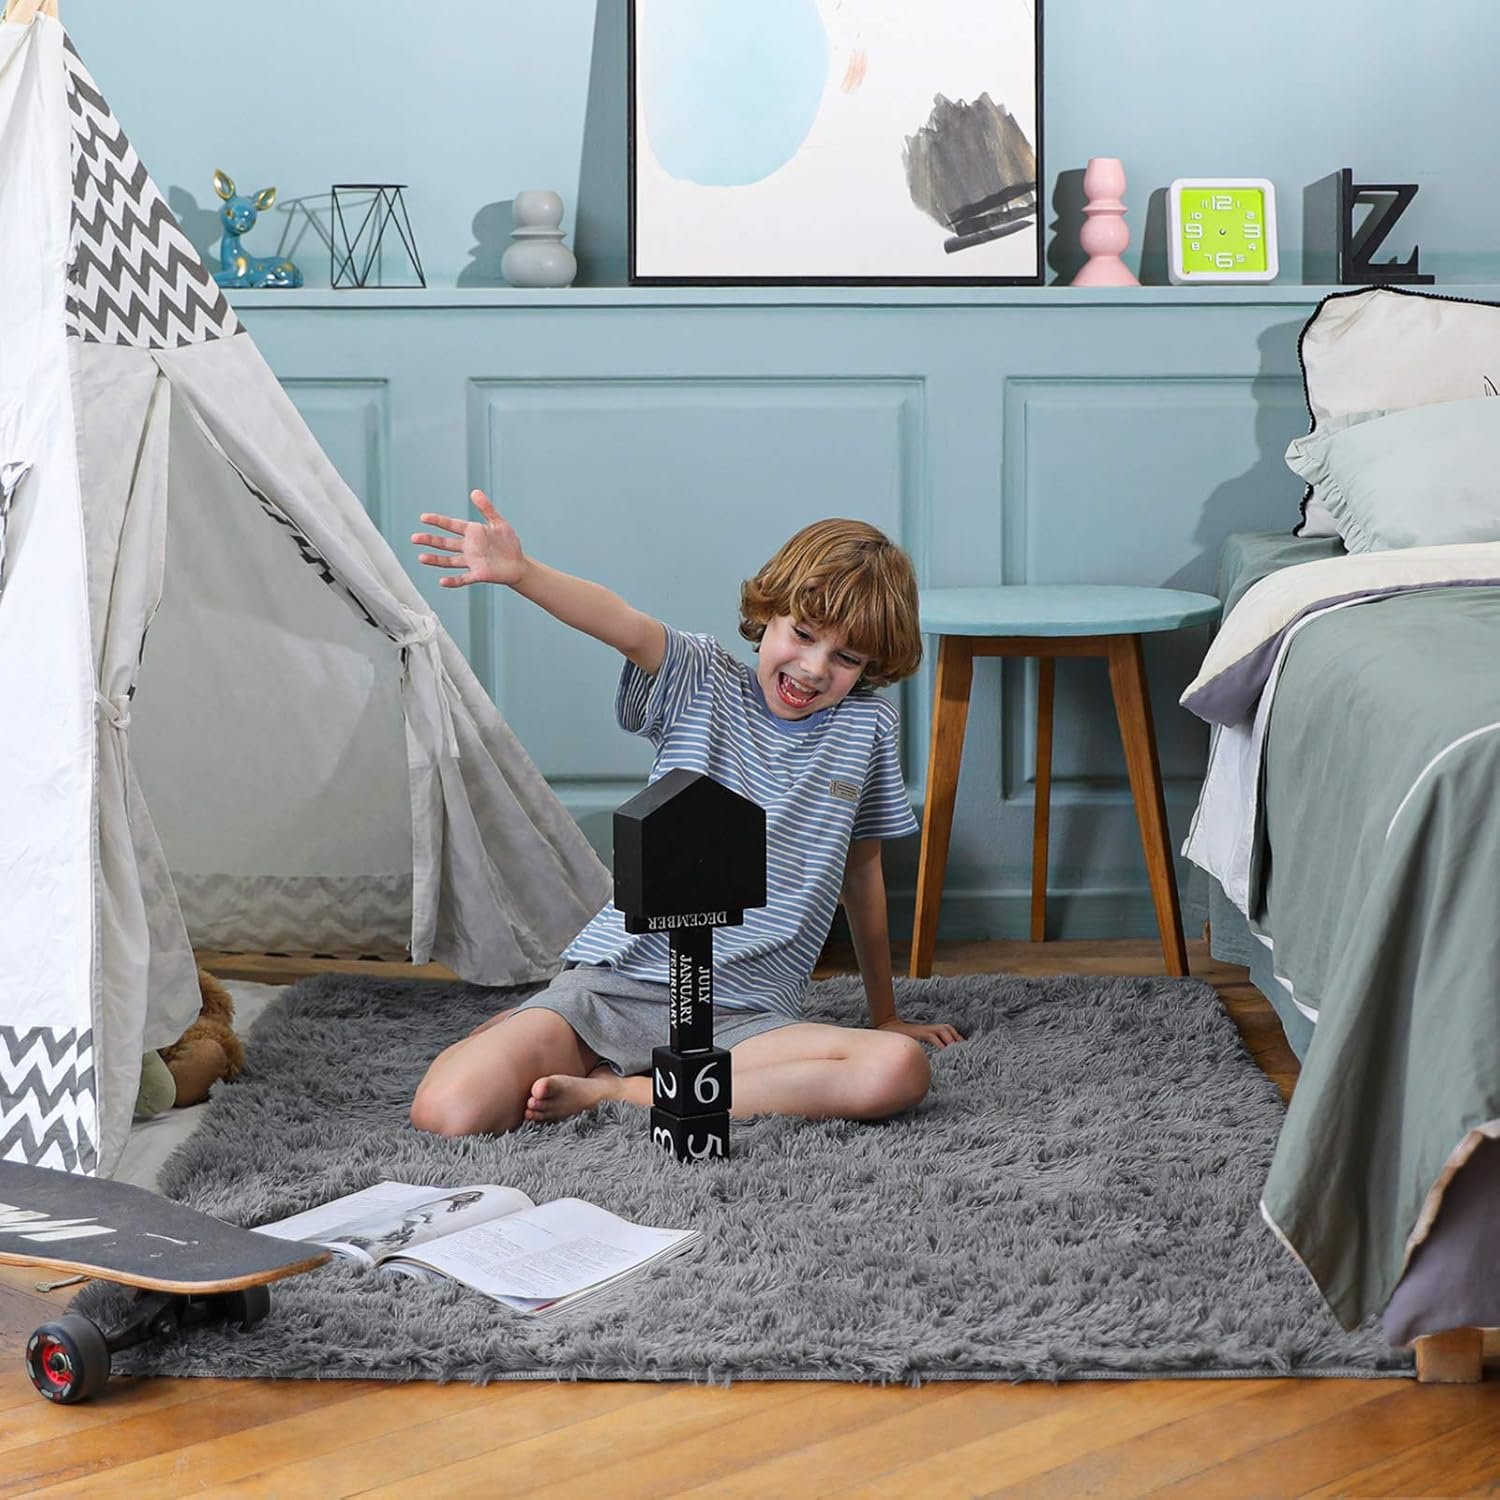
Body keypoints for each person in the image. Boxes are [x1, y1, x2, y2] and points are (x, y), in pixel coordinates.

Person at [407, 492, 962, 1137]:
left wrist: (885, 1015)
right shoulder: (701, 678)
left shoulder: (867, 729)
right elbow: (621, 623)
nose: (813, 668)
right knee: (447, 1112)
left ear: (870, 667)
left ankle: (625, 1092)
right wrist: (523, 573)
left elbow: (862, 874)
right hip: (619, 987)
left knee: (897, 1068)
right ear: (769, 613)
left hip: (747, 1018)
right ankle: (539, 1030)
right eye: (803, 634)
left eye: (846, 658)